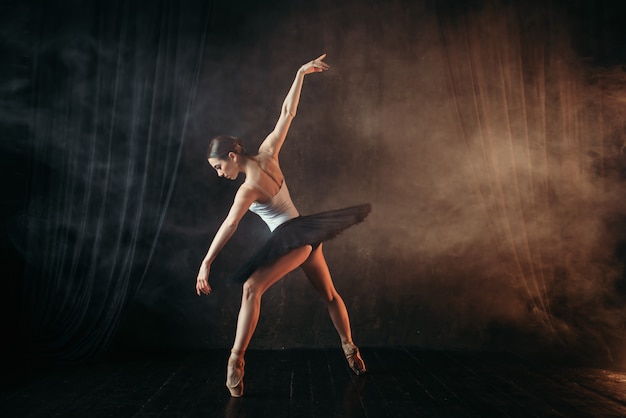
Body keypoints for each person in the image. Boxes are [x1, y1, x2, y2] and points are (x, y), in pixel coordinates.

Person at [196, 54, 370, 398]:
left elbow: (230, 225)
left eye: (218, 167)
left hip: (294, 238)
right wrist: (300, 73)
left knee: (250, 288)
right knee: (330, 295)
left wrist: (206, 262)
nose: (220, 175)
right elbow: (287, 113)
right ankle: (350, 348)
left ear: (232, 156)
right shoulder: (268, 153)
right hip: (306, 232)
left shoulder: (248, 189)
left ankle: (235, 360)